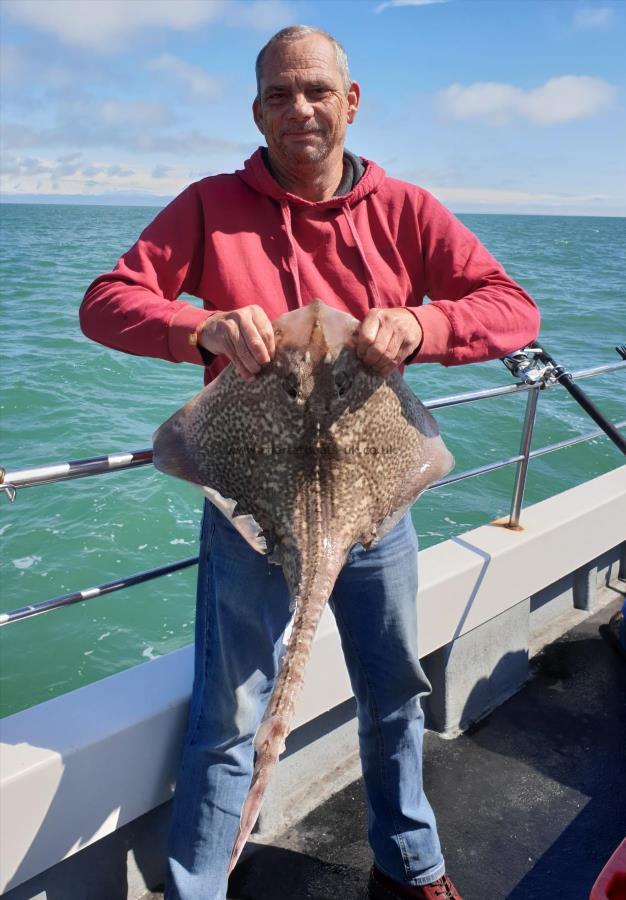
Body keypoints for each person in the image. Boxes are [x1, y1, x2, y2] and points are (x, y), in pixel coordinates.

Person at [80, 25, 540, 900]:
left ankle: (411, 861)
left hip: (376, 506)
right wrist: (200, 327)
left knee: (393, 691)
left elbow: (513, 308)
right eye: (280, 95)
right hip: (251, 512)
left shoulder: (406, 209)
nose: (301, 108)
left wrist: (423, 325)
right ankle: (199, 884)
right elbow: (105, 302)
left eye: (317, 91)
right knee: (230, 715)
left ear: (351, 101)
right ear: (256, 110)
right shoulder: (211, 203)